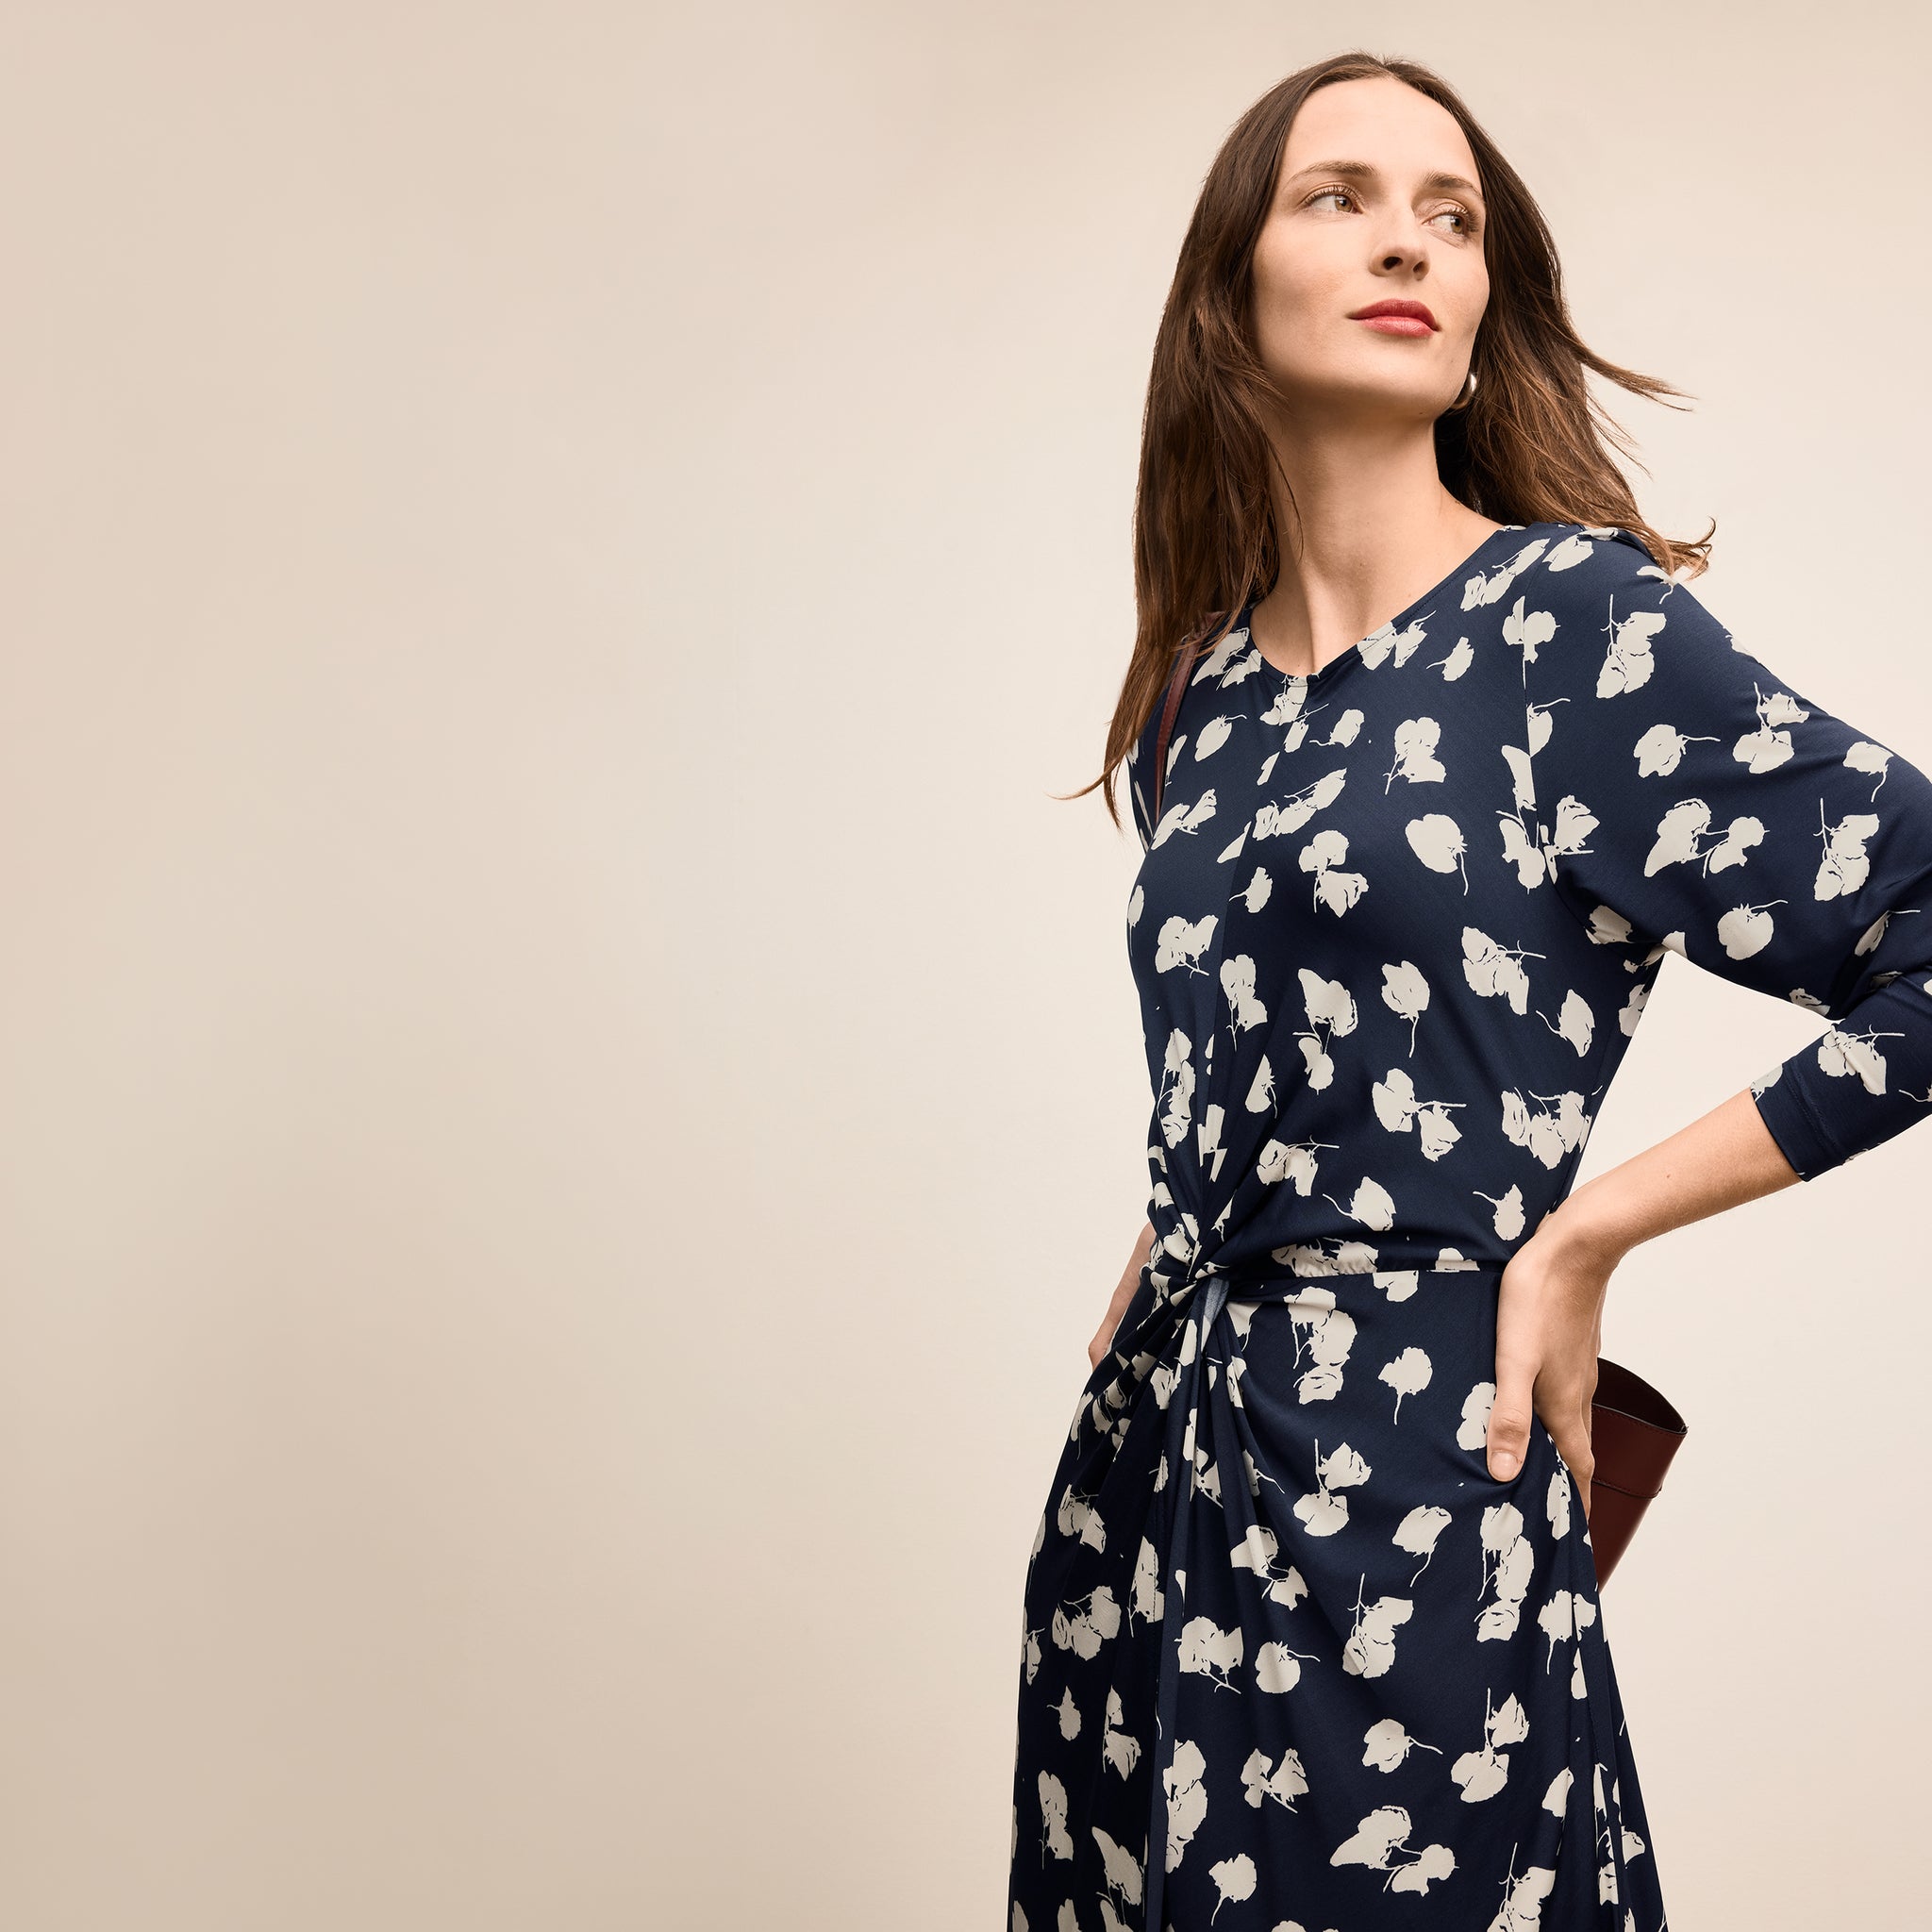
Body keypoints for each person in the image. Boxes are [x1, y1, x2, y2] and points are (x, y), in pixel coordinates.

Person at [1005, 49, 1932, 1932]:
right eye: (1337, 196)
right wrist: (1186, 1223)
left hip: (1414, 1482)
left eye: (1451, 214)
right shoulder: (1205, 695)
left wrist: (1582, 1234)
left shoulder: (1569, 634)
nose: (1406, 239)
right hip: (1158, 1497)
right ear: (1229, 292)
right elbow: (1311, 1027)